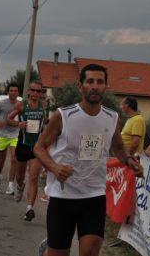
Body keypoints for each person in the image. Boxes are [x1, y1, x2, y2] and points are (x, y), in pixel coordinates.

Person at [34, 64, 143, 256]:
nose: (95, 86)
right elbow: (39, 147)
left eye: (100, 82)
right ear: (80, 86)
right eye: (90, 81)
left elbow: (117, 147)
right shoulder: (63, 116)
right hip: (63, 195)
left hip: (94, 194)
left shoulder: (112, 117)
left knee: (91, 249)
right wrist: (54, 167)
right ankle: (48, 249)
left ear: (106, 87)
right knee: (59, 251)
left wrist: (129, 161)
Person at [7, 81, 46, 221]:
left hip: (37, 147)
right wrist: (19, 124)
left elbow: (44, 123)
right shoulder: (21, 105)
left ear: (41, 93)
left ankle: (29, 208)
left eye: (38, 91)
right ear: (29, 91)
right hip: (23, 144)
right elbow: (9, 119)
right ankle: (19, 186)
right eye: (33, 90)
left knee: (34, 176)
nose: (36, 93)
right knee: (20, 174)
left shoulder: (43, 106)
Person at [0, 82, 20, 194]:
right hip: (3, 134)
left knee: (14, 158)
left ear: (18, 92)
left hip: (15, 134)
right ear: (8, 92)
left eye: (15, 91)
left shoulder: (20, 104)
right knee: (1, 158)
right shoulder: (2, 103)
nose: (13, 93)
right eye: (11, 91)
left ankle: (10, 185)